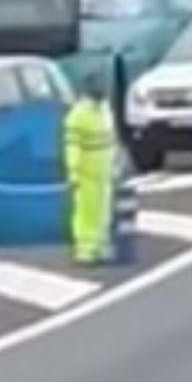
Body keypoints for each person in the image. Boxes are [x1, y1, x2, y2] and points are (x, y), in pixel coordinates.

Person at [63, 74, 116, 264]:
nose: (102, 89)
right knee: (86, 213)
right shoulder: (78, 115)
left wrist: (115, 163)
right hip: (87, 174)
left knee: (103, 211)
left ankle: (101, 246)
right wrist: (73, 173)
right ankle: (85, 250)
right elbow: (73, 147)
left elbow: (110, 140)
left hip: (105, 171)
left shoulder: (104, 109)